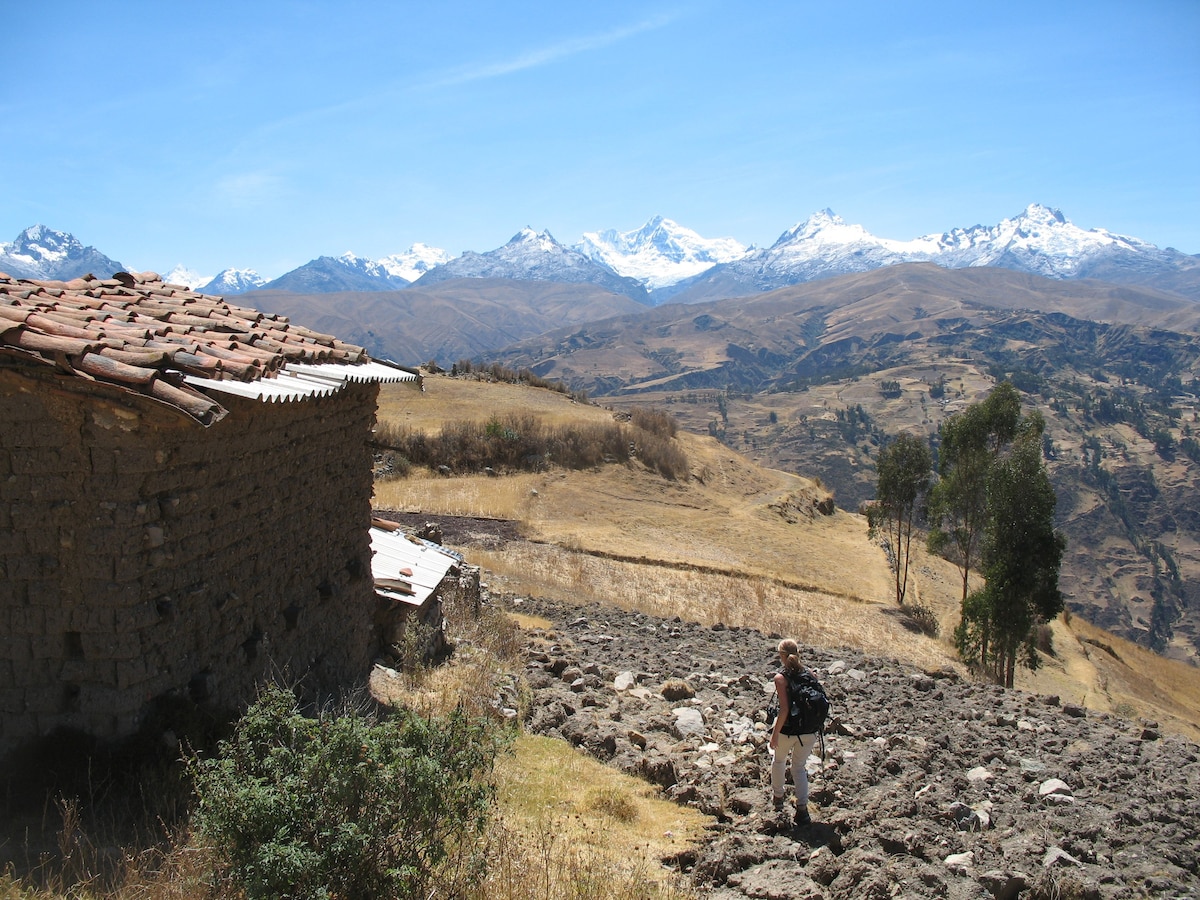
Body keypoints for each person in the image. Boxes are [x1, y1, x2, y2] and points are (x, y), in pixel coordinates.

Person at [769, 638, 818, 826]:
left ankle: (778, 800)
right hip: (809, 731)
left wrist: (775, 733)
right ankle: (803, 810)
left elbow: (784, 710)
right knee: (799, 767)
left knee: (779, 761)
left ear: (781, 656)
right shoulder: (810, 674)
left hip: (788, 730)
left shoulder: (781, 678)